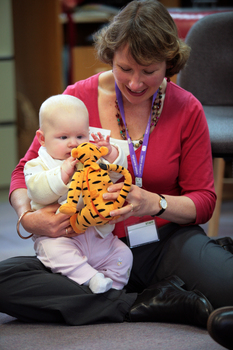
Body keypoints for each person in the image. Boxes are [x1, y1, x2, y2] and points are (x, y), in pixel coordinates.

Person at [0, 0, 233, 327]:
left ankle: (125, 299)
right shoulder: (76, 99)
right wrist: (29, 217)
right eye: (125, 69)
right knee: (4, 280)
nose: (136, 84)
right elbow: (21, 172)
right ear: (110, 57)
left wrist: (153, 202)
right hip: (85, 244)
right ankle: (149, 302)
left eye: (149, 71)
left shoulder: (186, 108)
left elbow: (204, 201)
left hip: (162, 242)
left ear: (169, 64)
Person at [23, 94, 133, 294]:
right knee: (54, 252)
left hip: (97, 235)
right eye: (64, 137)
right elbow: (36, 192)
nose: (74, 144)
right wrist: (61, 175)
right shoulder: (37, 164)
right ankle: (91, 278)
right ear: (42, 138)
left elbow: (117, 174)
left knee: (124, 254)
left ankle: (113, 289)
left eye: (80, 136)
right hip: (60, 237)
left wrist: (110, 154)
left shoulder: (89, 160)